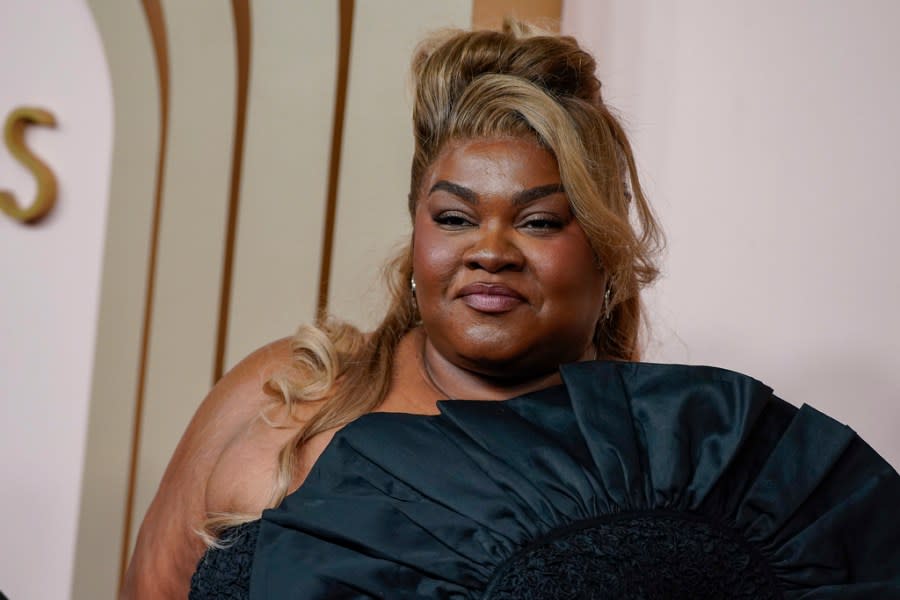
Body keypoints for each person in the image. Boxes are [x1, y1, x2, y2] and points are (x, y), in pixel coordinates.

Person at [123, 21, 900, 599]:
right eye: (455, 217)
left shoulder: (674, 475)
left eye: (537, 221)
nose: (489, 250)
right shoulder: (283, 393)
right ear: (417, 226)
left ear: (602, 244)